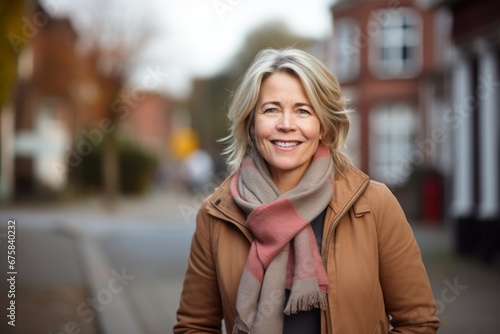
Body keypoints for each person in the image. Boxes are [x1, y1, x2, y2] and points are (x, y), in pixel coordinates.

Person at [173, 48, 440, 333]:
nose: (286, 125)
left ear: (324, 125)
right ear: (250, 124)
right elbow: (195, 326)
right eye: (271, 109)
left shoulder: (374, 205)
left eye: (303, 110)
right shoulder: (216, 214)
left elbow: (417, 322)